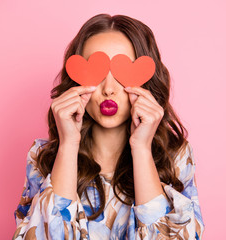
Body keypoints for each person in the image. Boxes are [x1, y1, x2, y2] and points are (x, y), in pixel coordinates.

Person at [12, 13, 205, 240]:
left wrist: (142, 149)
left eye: (123, 73)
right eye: (97, 72)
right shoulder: (42, 157)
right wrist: (68, 145)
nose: (109, 89)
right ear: (76, 80)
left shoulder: (176, 157)